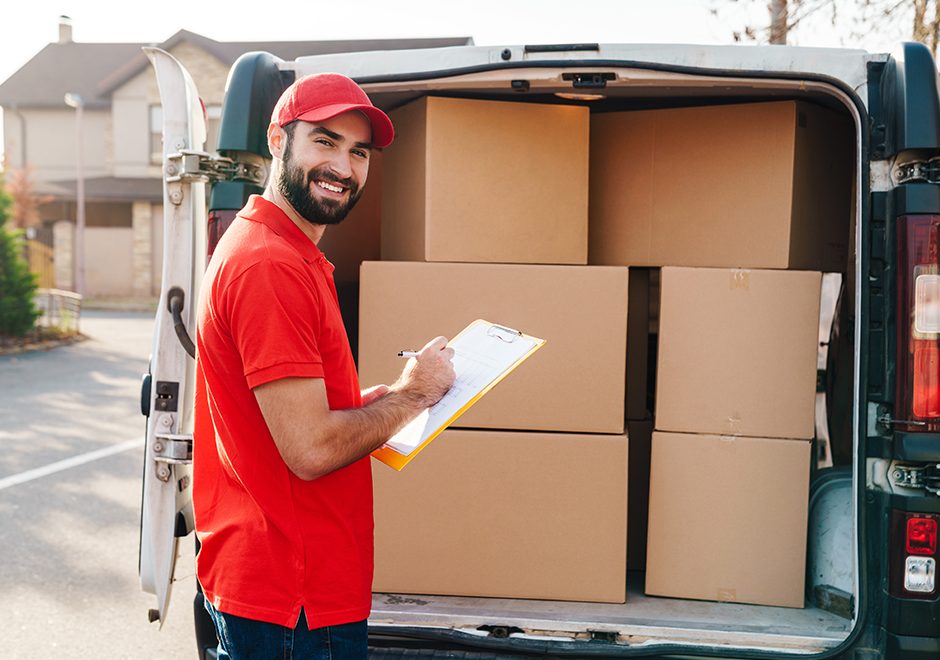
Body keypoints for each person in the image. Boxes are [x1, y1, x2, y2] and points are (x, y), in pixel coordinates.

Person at [192, 72, 456, 659]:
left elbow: (280, 421)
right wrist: (412, 397)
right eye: (325, 141)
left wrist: (368, 407)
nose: (343, 166)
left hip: (279, 589)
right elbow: (309, 450)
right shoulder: (271, 266)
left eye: (358, 152)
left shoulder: (282, 250)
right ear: (277, 140)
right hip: (292, 597)